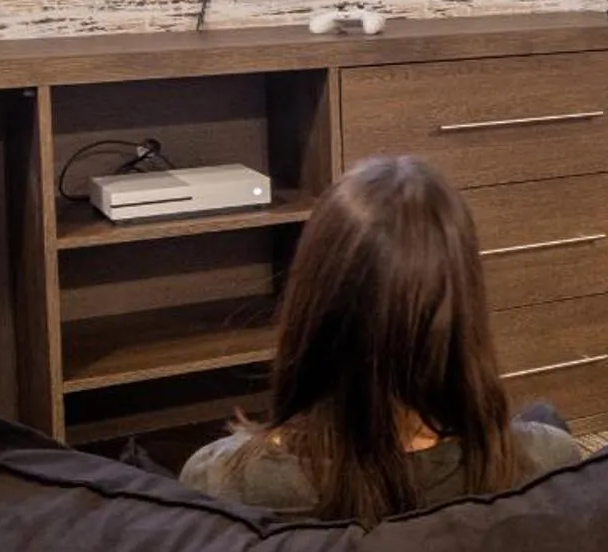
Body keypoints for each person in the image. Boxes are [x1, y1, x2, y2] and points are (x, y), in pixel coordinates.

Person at [181, 154, 583, 521]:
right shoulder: (548, 464)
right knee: (543, 416)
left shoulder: (217, 481)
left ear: (309, 307)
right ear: (464, 312)